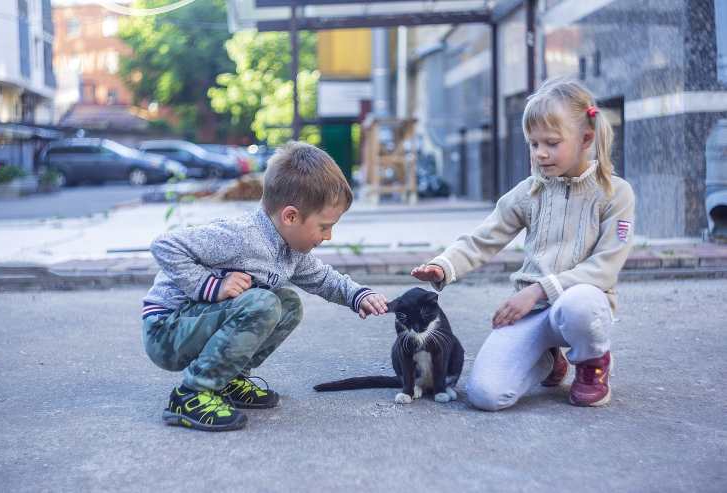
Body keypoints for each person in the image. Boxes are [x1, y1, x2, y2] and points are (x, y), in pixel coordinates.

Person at [412, 77, 635, 410]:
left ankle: (592, 363)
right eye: (533, 144)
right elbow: (483, 238)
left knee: (580, 303)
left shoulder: (615, 193)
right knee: (485, 394)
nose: (540, 153)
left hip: (581, 308)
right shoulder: (529, 191)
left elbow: (605, 267)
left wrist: (537, 290)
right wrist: (443, 265)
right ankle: (547, 359)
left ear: (586, 138)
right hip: (533, 313)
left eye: (552, 143)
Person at [142, 141, 389, 431]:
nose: (329, 235)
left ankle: (227, 379)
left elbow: (323, 278)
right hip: (166, 330)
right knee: (264, 303)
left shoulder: (291, 250)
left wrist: (358, 296)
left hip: (194, 325)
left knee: (288, 304)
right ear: (291, 216)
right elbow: (164, 245)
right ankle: (192, 394)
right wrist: (211, 286)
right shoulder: (241, 236)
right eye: (324, 226)